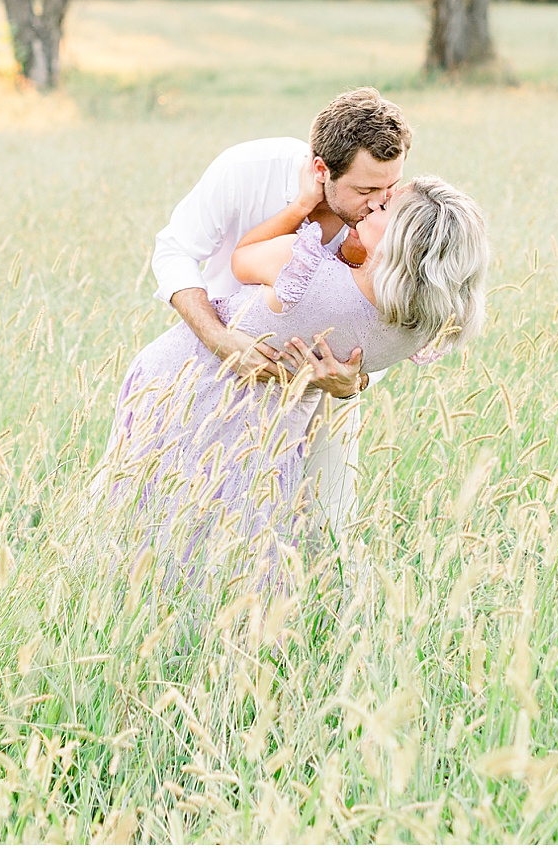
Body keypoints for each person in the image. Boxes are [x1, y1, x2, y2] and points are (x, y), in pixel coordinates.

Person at [97, 172, 491, 595]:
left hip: (185, 385)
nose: (373, 204)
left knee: (145, 513)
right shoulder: (422, 325)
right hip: (273, 432)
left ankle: (119, 599)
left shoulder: (304, 275)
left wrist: (300, 208)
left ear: (401, 242)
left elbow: (242, 257)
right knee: (236, 543)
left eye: (384, 207)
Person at [147, 87, 413, 544]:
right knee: (197, 518)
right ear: (320, 170)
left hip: (323, 399)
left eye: (389, 187)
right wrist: (222, 341)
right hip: (217, 378)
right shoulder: (248, 171)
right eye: (366, 189)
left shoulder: (393, 213)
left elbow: (398, 315)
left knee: (326, 532)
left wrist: (358, 381)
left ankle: (325, 615)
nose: (379, 202)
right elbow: (174, 251)